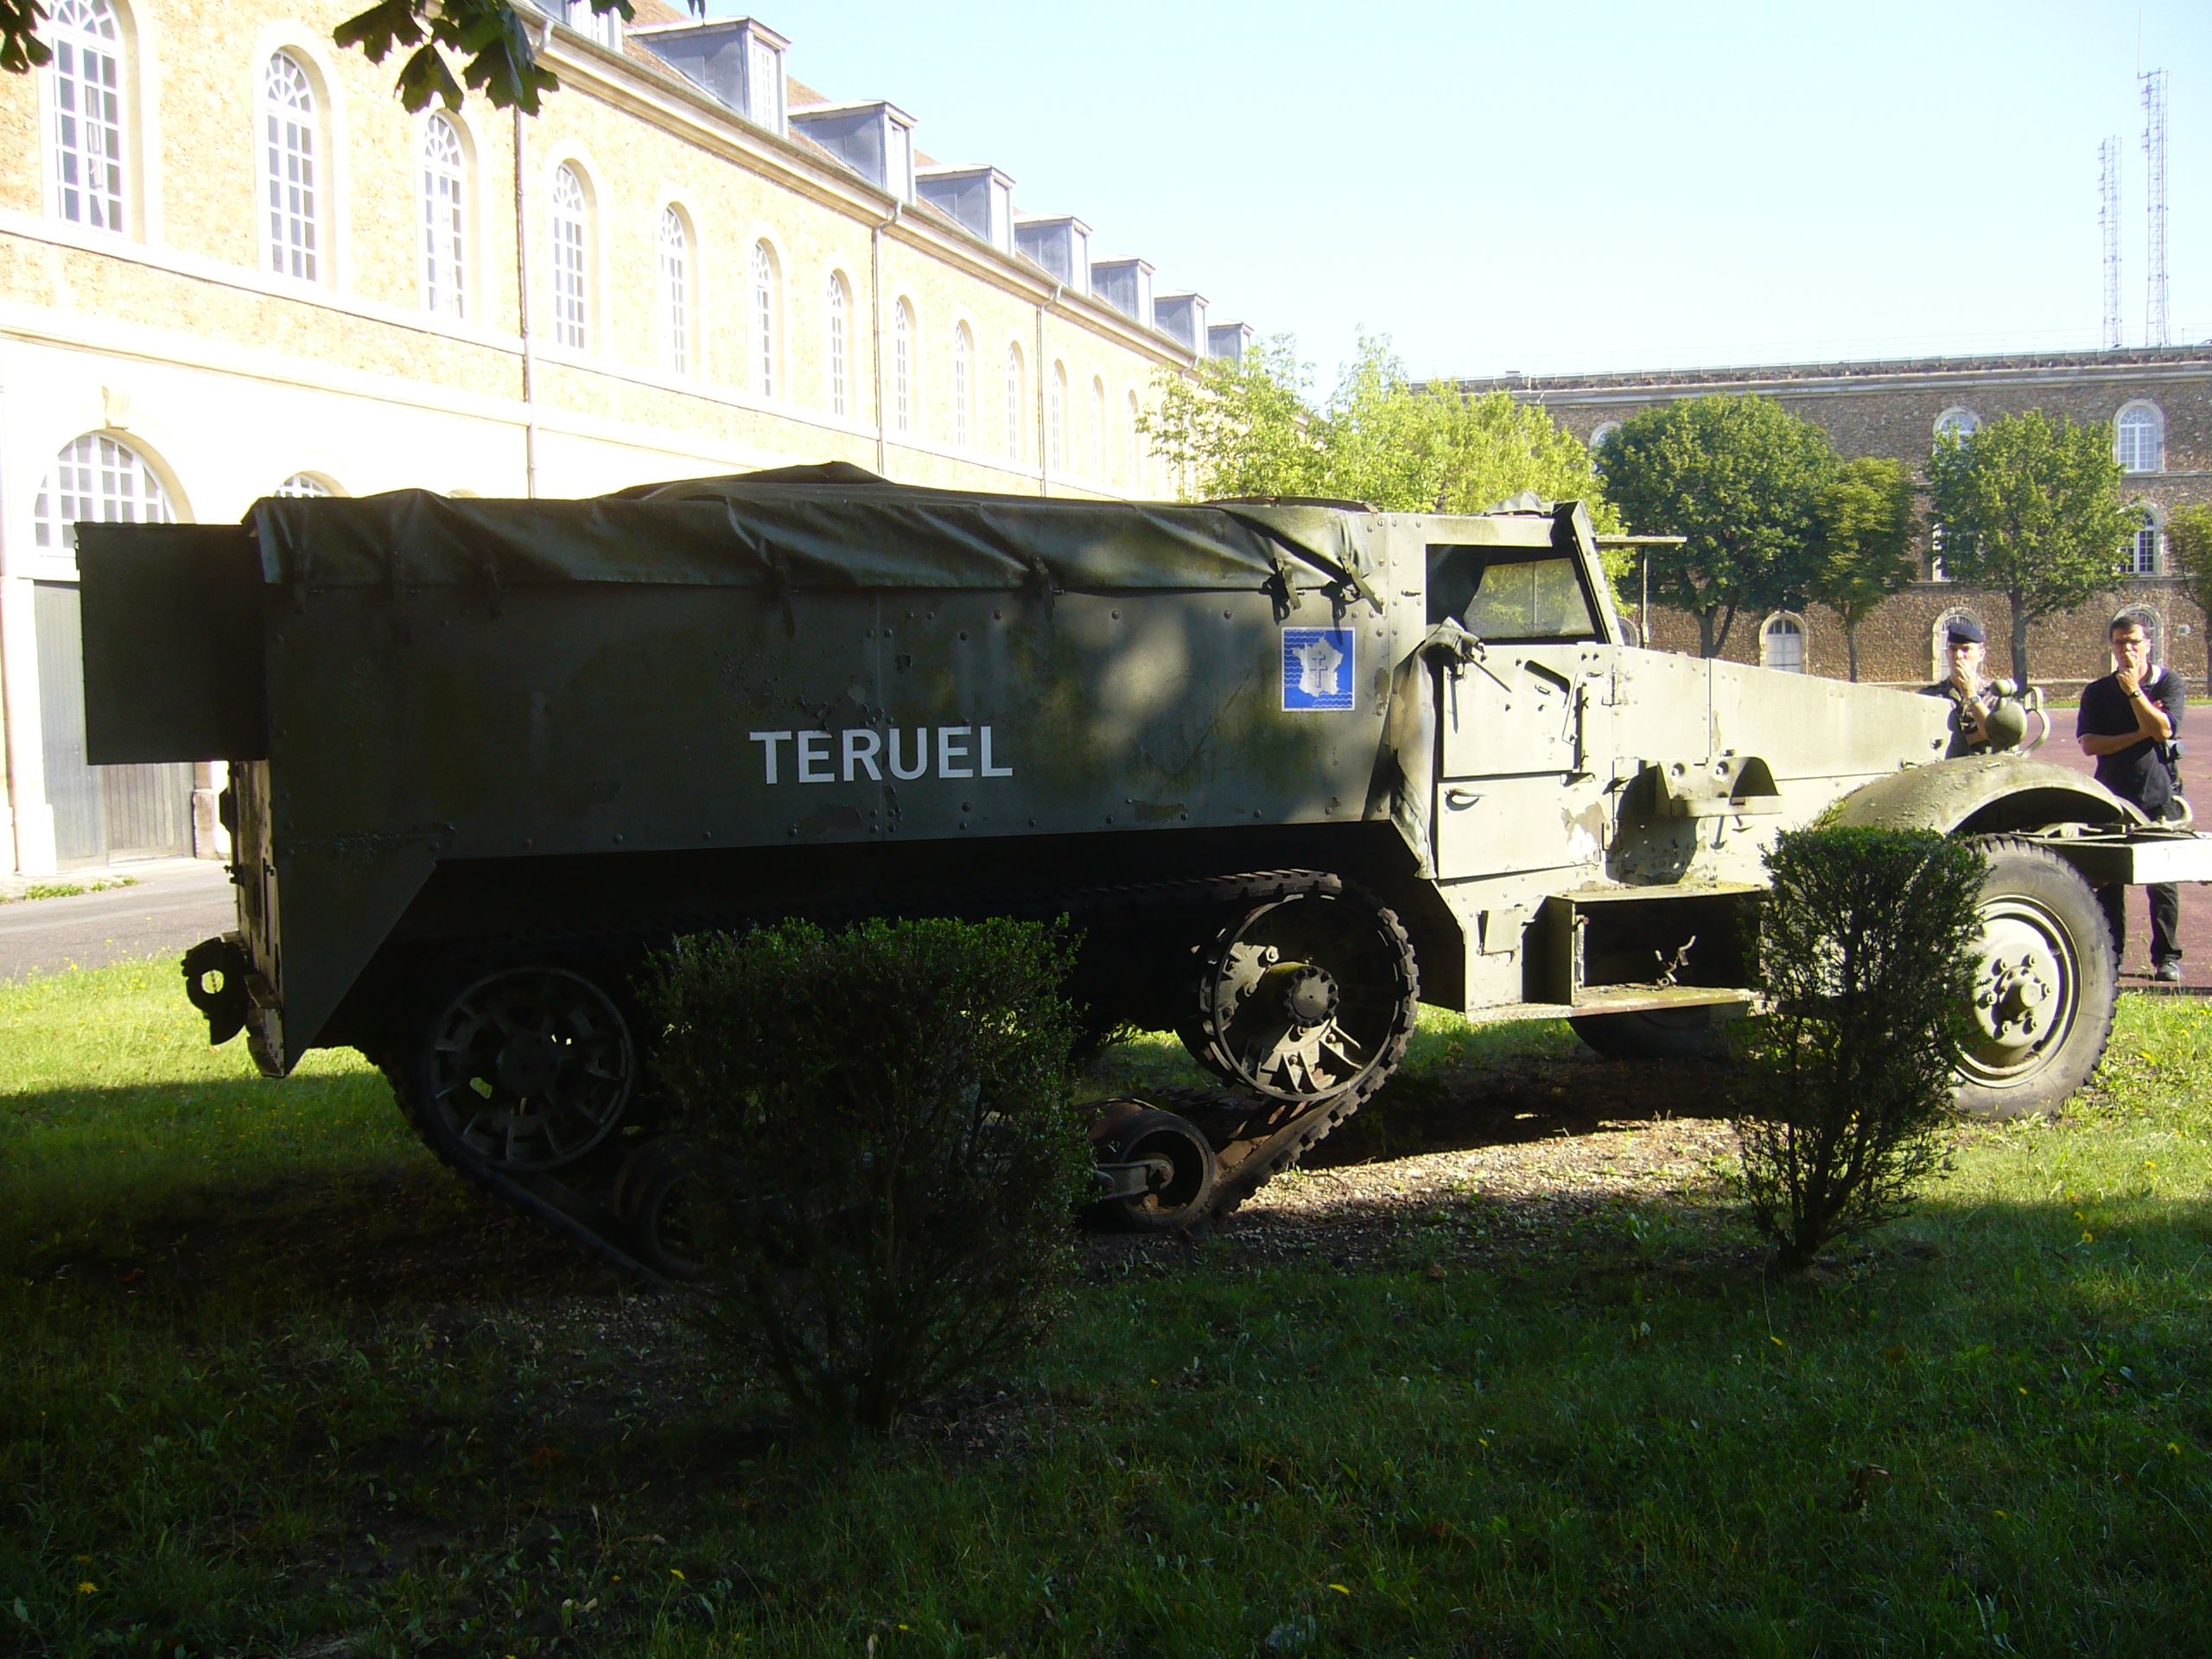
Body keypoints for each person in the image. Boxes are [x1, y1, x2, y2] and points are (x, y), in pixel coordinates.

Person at [2077, 613, 2187, 983]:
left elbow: (2164, 729)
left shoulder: (2168, 682)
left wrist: (2135, 694)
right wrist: (2139, 734)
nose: (2127, 649)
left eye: (2134, 642)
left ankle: (2167, 957)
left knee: (2164, 883)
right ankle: (2113, 953)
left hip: (2159, 794)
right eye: (2121, 642)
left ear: (2148, 644)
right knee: (2108, 881)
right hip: (2110, 795)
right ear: (2112, 646)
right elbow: (2089, 744)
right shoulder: (2096, 691)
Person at [1920, 617, 1994, 758]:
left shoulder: (1995, 696)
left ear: (1981, 655)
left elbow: (1994, 734)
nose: (1958, 656)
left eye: (1966, 649)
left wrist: (1971, 695)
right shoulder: (1929, 696)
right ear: (1947, 653)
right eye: (1953, 649)